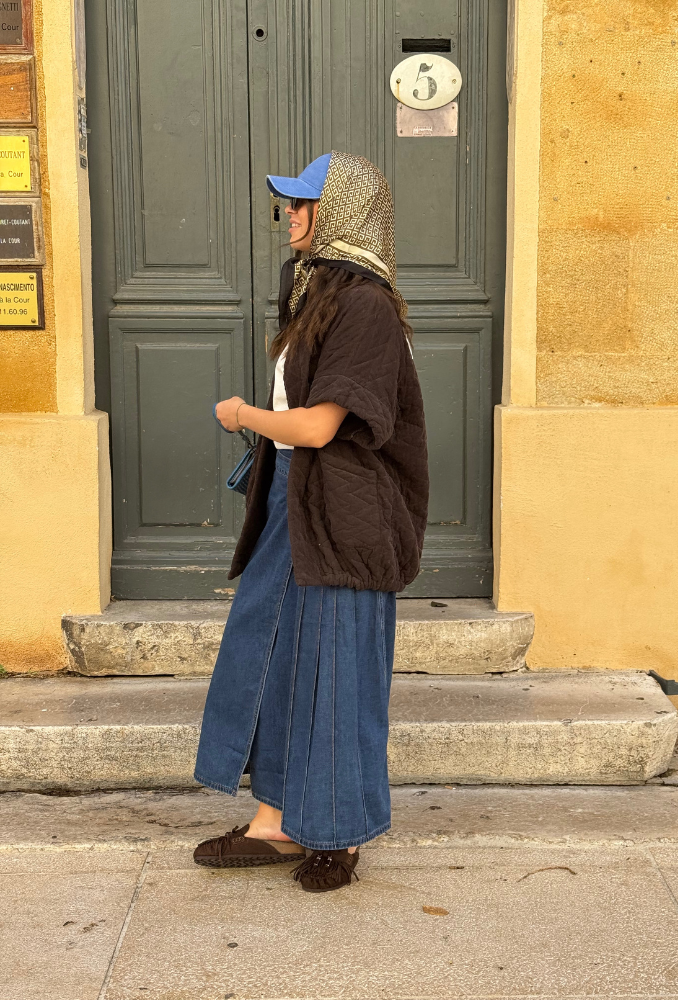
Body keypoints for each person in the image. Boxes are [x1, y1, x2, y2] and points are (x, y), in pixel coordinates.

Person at [192, 151, 429, 893]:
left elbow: (323, 427)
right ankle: (277, 822)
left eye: (303, 204)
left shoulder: (362, 305)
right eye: (288, 205)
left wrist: (241, 415)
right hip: (294, 502)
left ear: (343, 213)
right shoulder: (319, 296)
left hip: (344, 512)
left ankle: (339, 832)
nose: (288, 216)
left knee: (338, 667)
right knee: (275, 655)